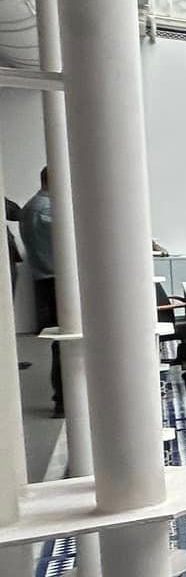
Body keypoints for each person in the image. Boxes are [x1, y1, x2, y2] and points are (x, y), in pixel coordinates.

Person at [20, 170, 57, 411]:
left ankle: (62, 398)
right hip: (58, 281)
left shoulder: (29, 207)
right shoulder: (48, 211)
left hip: (43, 278)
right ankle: (65, 400)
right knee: (67, 344)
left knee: (59, 342)